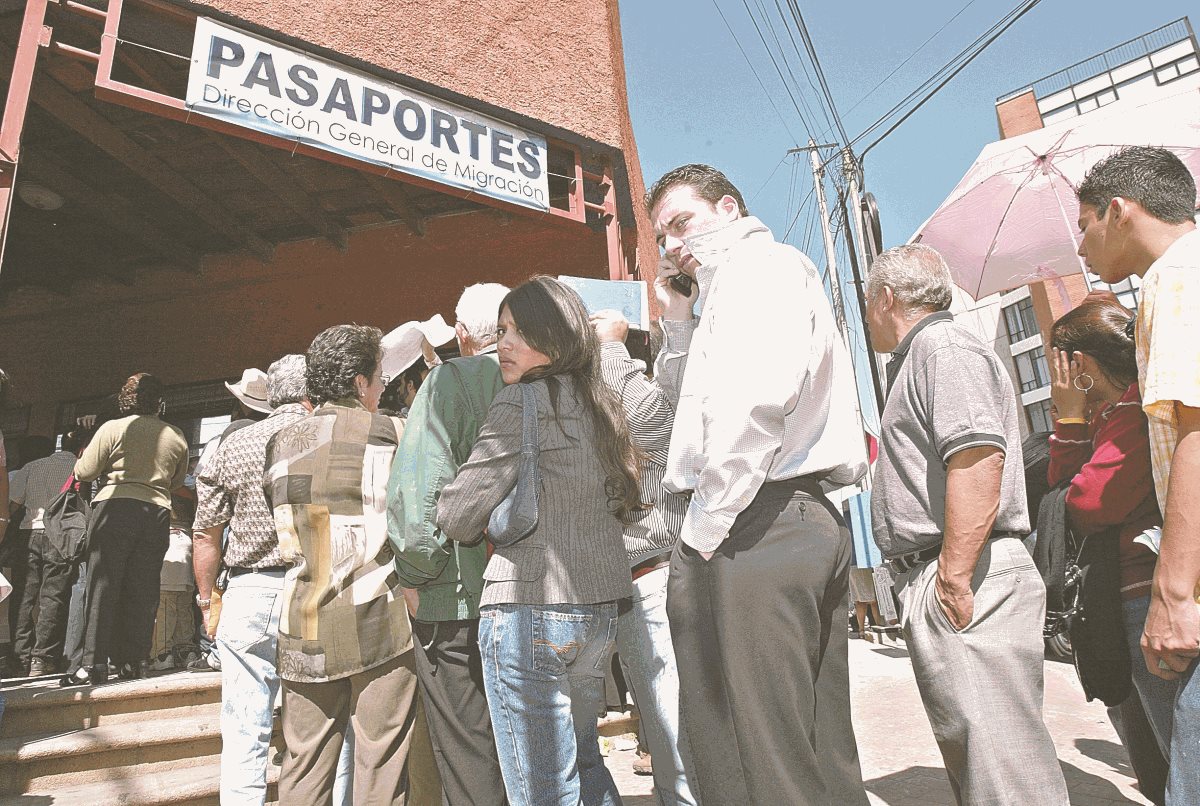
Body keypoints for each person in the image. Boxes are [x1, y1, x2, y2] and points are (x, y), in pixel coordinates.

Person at [648, 163, 869, 804]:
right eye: (660, 236)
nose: (670, 245)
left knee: (752, 746)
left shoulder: (758, 268)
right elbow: (684, 408)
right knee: (808, 741)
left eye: (681, 223)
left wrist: (703, 533)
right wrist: (679, 320)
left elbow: (750, 413)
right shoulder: (724, 289)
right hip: (773, 514)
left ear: (729, 207)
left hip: (755, 517)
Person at [865, 243, 1068, 805]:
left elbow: (977, 457)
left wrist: (954, 574)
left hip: (966, 570)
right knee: (984, 756)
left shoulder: (942, 347)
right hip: (955, 568)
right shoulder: (932, 351)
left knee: (1004, 764)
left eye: (866, 301)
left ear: (885, 298)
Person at [437, 277, 637, 806]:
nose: (502, 344)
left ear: (554, 336)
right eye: (501, 331)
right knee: (584, 764)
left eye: (518, 332)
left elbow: (458, 515)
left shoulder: (519, 402)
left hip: (526, 606)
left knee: (541, 788)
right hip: (598, 610)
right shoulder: (602, 405)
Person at [264, 326, 438, 805]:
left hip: (302, 620)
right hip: (377, 618)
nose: (384, 386)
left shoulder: (278, 442)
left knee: (302, 765)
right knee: (380, 765)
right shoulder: (391, 432)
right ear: (361, 383)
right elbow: (416, 518)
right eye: (380, 377)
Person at [1075, 145, 1200, 803]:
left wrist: (1174, 594)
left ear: (1117, 211)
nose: (1083, 250)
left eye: (1084, 228)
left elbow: (1194, 437)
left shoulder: (1174, 278)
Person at [1046, 298, 1178, 788]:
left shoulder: (1133, 409)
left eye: (1056, 362)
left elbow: (1087, 503)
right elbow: (1066, 490)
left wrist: (1073, 421)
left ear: (1077, 364)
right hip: (1121, 595)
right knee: (1154, 753)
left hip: (1145, 595)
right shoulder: (1110, 415)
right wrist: (1075, 423)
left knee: (1176, 747)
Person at [388, 282, 510, 806]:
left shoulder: (451, 380)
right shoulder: (546, 380)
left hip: (458, 597)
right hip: (543, 590)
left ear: (461, 335)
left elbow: (420, 495)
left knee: (468, 750)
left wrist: (416, 577)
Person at [592, 309, 698, 805]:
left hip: (655, 575)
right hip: (634, 580)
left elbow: (655, 424)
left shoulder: (652, 404)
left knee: (672, 726)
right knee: (664, 726)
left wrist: (610, 346)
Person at [63, 373, 189, 686]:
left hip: (115, 507)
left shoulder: (113, 428)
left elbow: (85, 470)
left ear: (125, 401)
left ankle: (94, 665)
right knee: (143, 589)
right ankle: (136, 662)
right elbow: (176, 480)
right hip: (157, 512)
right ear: (159, 403)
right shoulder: (175, 435)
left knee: (103, 585)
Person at [10, 430, 82, 675]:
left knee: (23, 597)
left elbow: (12, 505)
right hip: (61, 536)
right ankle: (42, 659)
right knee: (53, 598)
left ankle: (20, 657)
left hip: (28, 533)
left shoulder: (32, 466)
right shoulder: (82, 467)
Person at [149, 493, 199, 671]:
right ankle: (186, 651)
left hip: (169, 538)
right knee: (184, 604)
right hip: (188, 537)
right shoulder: (191, 481)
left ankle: (163, 653)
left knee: (165, 605)